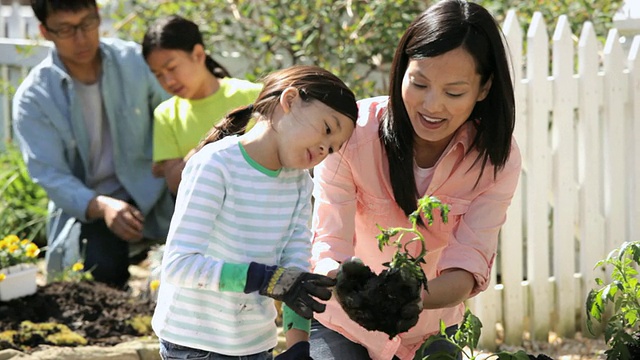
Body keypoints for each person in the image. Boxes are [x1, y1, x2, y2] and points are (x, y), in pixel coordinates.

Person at [308, 0, 522, 359]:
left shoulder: (495, 158)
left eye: (454, 92)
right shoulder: (354, 133)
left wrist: (407, 298)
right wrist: (348, 286)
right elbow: (329, 242)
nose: (432, 105)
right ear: (401, 69)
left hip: (432, 324)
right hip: (344, 321)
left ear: (484, 89)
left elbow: (468, 264)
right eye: (419, 83)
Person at [151, 64, 358, 360]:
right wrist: (265, 279)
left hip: (256, 346)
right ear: (290, 101)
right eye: (327, 129)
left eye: (333, 148)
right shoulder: (216, 165)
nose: (324, 148)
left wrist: (298, 345)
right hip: (195, 347)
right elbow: (180, 265)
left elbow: (294, 274)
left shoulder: (299, 184)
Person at [11, 0, 174, 289]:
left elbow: (174, 113)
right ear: (45, 31)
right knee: (99, 276)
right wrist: (102, 206)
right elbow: (50, 174)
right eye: (65, 29)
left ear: (99, 16)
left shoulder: (134, 60)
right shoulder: (34, 98)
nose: (81, 38)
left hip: (157, 191)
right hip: (93, 205)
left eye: (87, 23)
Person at [142, 15, 263, 195]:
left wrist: (192, 157)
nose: (168, 81)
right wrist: (208, 146)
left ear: (198, 54)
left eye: (172, 68)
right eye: (158, 74)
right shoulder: (166, 114)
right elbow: (175, 184)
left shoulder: (253, 94)